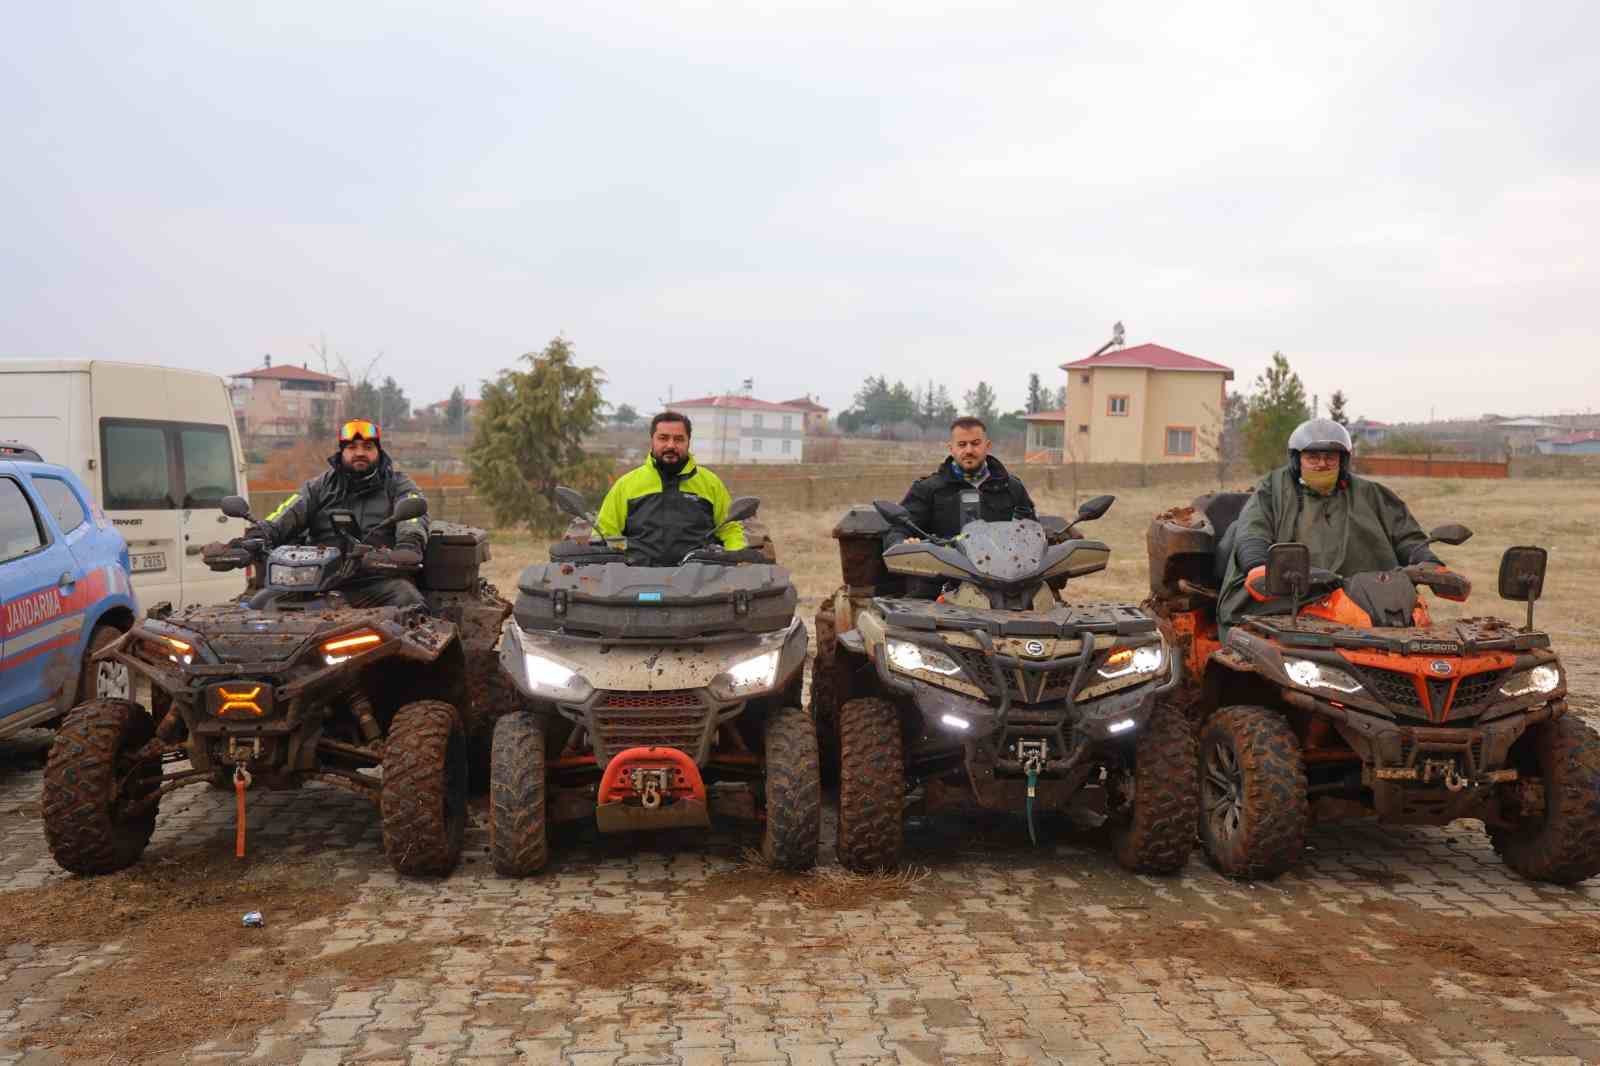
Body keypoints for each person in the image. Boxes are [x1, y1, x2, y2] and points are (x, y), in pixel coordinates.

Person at [1217, 417, 1449, 627]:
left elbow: (1406, 536)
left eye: (1330, 457)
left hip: (1371, 597)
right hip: (1292, 595)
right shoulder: (1274, 489)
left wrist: (1427, 561)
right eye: (1312, 457)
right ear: (1297, 460)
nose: (1322, 464)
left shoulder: (1371, 493)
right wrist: (1259, 566)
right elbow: (1253, 529)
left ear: (1343, 461)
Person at [246, 418, 430, 608]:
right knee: (260, 604)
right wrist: (257, 535)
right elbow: (287, 512)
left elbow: (413, 516)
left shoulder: (399, 484)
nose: (360, 453)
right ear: (342, 452)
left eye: (367, 447)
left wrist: (408, 545)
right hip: (312, 581)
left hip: (374, 581)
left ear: (378, 451)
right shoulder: (318, 486)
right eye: (352, 447)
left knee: (408, 600)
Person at [596, 410, 747, 566]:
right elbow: (605, 533)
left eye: (679, 439)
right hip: (637, 580)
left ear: (688, 442)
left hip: (701, 581)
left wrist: (738, 561)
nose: (671, 445)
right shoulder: (626, 485)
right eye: (663, 438)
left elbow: (730, 529)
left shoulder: (710, 483)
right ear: (652, 441)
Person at [889, 416, 1037, 547]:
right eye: (962, 444)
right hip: (945, 575)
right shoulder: (927, 489)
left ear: (987, 446)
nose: (969, 450)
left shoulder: (1011, 487)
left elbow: (1033, 533)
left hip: (1002, 574)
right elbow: (898, 531)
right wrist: (904, 543)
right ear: (951, 448)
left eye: (975, 443)